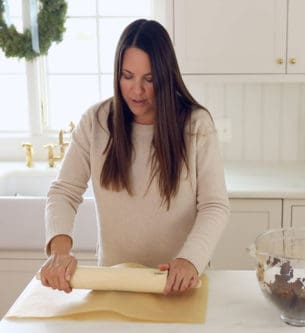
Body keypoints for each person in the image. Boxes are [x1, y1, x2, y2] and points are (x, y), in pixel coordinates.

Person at [39, 19, 230, 296]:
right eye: (127, 76)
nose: (136, 90)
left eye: (149, 79)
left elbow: (214, 205)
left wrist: (190, 259)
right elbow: (63, 192)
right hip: (116, 283)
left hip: (178, 286)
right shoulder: (96, 122)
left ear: (165, 76)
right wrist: (58, 251)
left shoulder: (196, 124)